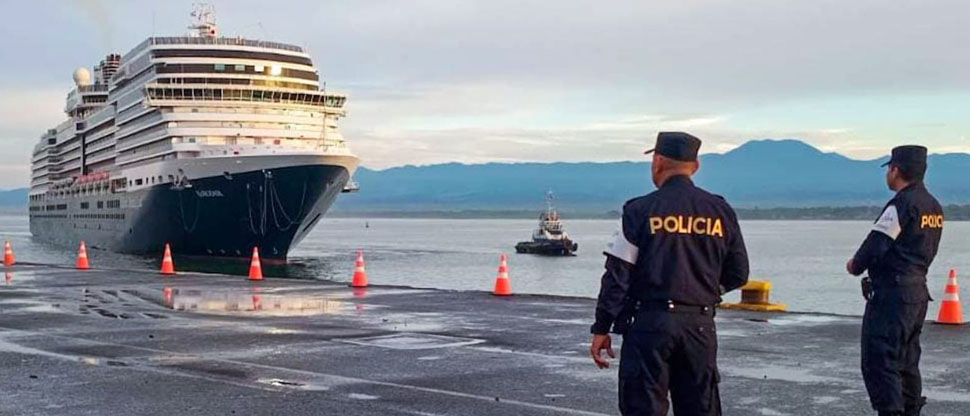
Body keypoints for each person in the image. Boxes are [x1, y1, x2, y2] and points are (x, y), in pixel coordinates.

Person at [590, 132, 749, 415]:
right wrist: (706, 290)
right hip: (699, 325)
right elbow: (739, 273)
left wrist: (602, 327)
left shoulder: (639, 210)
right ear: (695, 166)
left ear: (658, 161)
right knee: (700, 407)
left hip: (648, 325)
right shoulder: (720, 210)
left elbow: (618, 275)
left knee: (643, 407)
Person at [846, 145, 943, 416]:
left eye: (889, 168)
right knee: (907, 360)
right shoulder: (933, 205)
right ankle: (911, 410)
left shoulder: (901, 204)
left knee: (880, 360)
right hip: (918, 290)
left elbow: (877, 243)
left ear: (896, 169)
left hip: (892, 295)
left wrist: (855, 265)